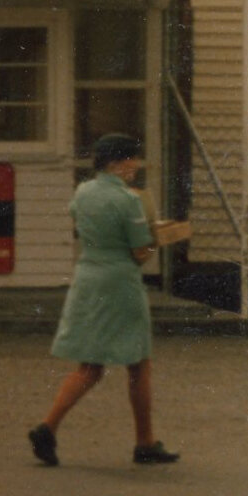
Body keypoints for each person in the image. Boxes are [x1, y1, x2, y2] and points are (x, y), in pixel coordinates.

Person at [27, 132, 178, 466]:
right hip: (119, 281)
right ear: (117, 163)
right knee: (139, 363)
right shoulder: (129, 200)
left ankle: (48, 426)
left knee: (90, 365)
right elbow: (140, 252)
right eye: (132, 160)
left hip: (88, 276)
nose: (136, 166)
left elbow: (77, 219)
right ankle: (145, 442)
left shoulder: (82, 192)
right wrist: (161, 237)